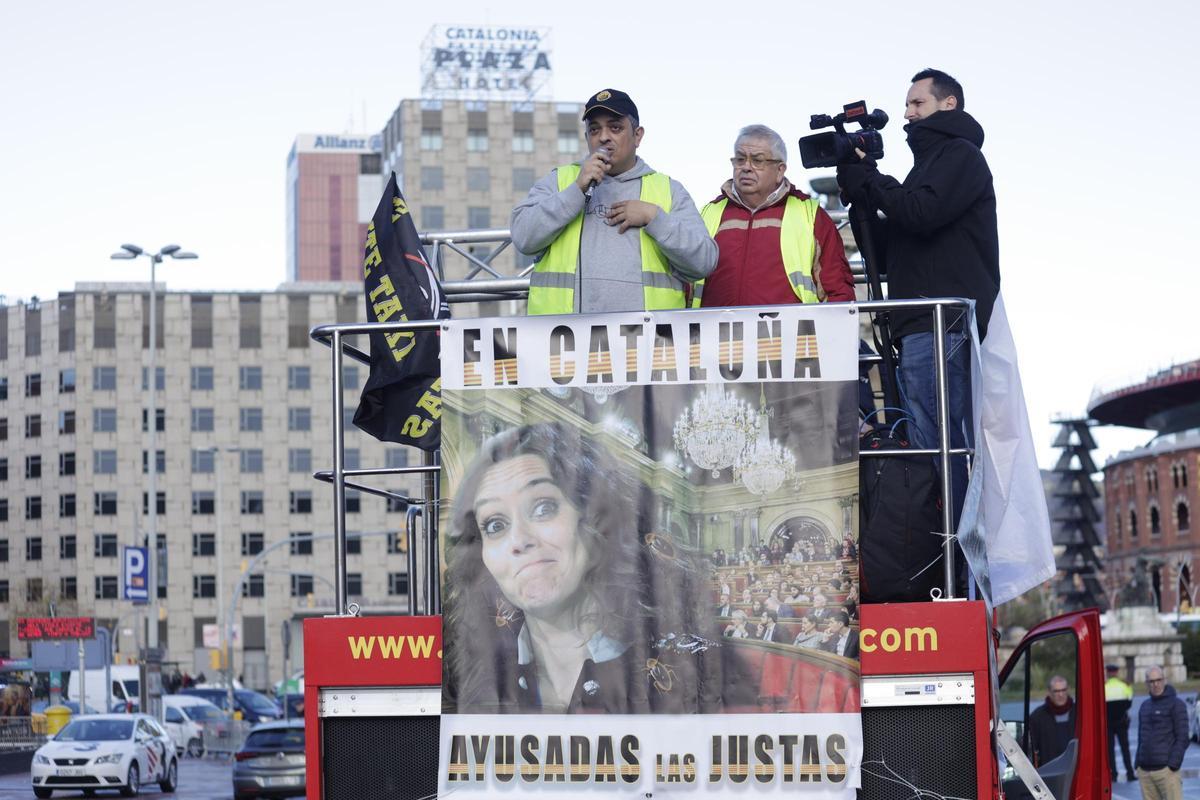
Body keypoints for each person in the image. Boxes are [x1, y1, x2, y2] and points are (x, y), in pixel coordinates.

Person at [442, 422, 715, 714]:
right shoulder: (465, 674)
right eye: (495, 525)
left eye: (543, 507)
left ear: (597, 521)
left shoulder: (692, 666)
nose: (518, 541)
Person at [836, 68, 999, 534]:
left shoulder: (960, 156)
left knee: (938, 444)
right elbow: (889, 248)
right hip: (917, 327)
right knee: (925, 439)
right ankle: (933, 543)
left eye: (917, 104)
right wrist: (862, 196)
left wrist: (874, 179)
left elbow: (921, 213)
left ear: (948, 105)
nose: (907, 114)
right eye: (907, 105)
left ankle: (951, 548)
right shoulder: (926, 167)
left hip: (939, 325)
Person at [512, 89, 716, 315]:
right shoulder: (560, 181)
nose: (603, 137)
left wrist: (654, 217)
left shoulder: (668, 190)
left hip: (644, 343)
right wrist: (576, 190)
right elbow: (522, 237)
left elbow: (704, 262)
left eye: (615, 127)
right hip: (568, 341)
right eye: (594, 129)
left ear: (637, 136)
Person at [694, 124, 853, 308]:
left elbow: (837, 288)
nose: (746, 167)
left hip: (792, 336)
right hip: (715, 335)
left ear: (780, 170)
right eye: (740, 159)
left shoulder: (810, 214)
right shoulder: (709, 213)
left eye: (757, 160)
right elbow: (686, 286)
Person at [1135, 666, 1187, 800]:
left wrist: (1172, 765)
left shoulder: (1176, 704)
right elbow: (1141, 736)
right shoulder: (1144, 706)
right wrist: (1137, 763)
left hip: (1166, 772)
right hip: (1145, 772)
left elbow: (1183, 737)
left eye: (1158, 680)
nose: (1155, 684)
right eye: (1151, 681)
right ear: (1147, 683)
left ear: (1164, 680)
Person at [1027, 676, 1076, 767]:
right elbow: (1030, 747)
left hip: (1077, 768)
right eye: (1056, 691)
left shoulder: (1079, 712)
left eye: (1063, 690)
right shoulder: (1037, 717)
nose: (1060, 694)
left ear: (1067, 690)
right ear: (1049, 692)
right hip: (1050, 771)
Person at [1105, 663, 1135, 783]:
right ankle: (1130, 773)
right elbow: (1129, 703)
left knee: (1110, 750)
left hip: (1108, 722)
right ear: (1116, 673)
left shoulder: (1104, 686)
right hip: (1122, 721)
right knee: (1125, 748)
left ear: (1107, 672)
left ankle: (1113, 775)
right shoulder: (1125, 685)